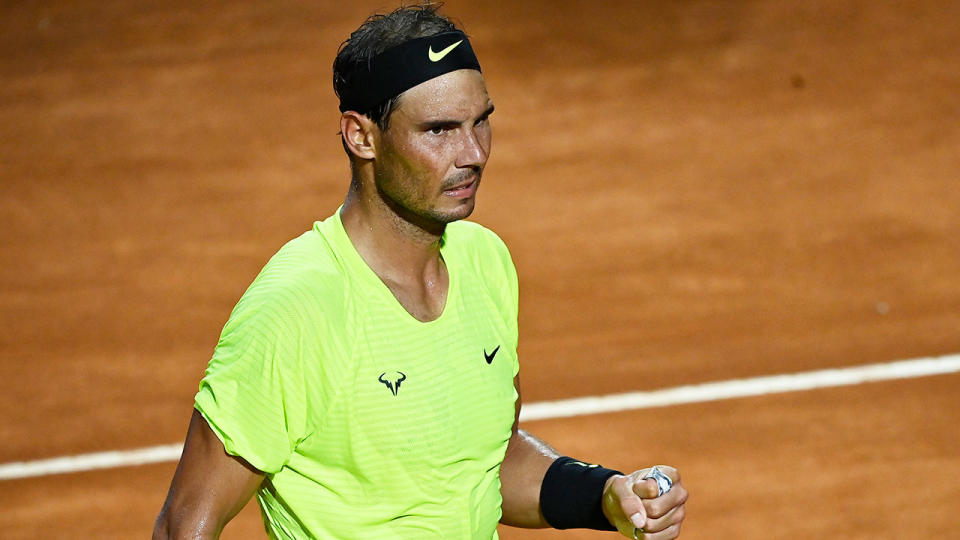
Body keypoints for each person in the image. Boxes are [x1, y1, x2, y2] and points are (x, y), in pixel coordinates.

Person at [154, 4, 687, 539]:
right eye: (439, 130)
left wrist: (602, 496)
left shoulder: (485, 261)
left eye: (482, 121)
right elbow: (185, 526)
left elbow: (480, 465)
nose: (473, 153)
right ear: (362, 137)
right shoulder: (297, 309)